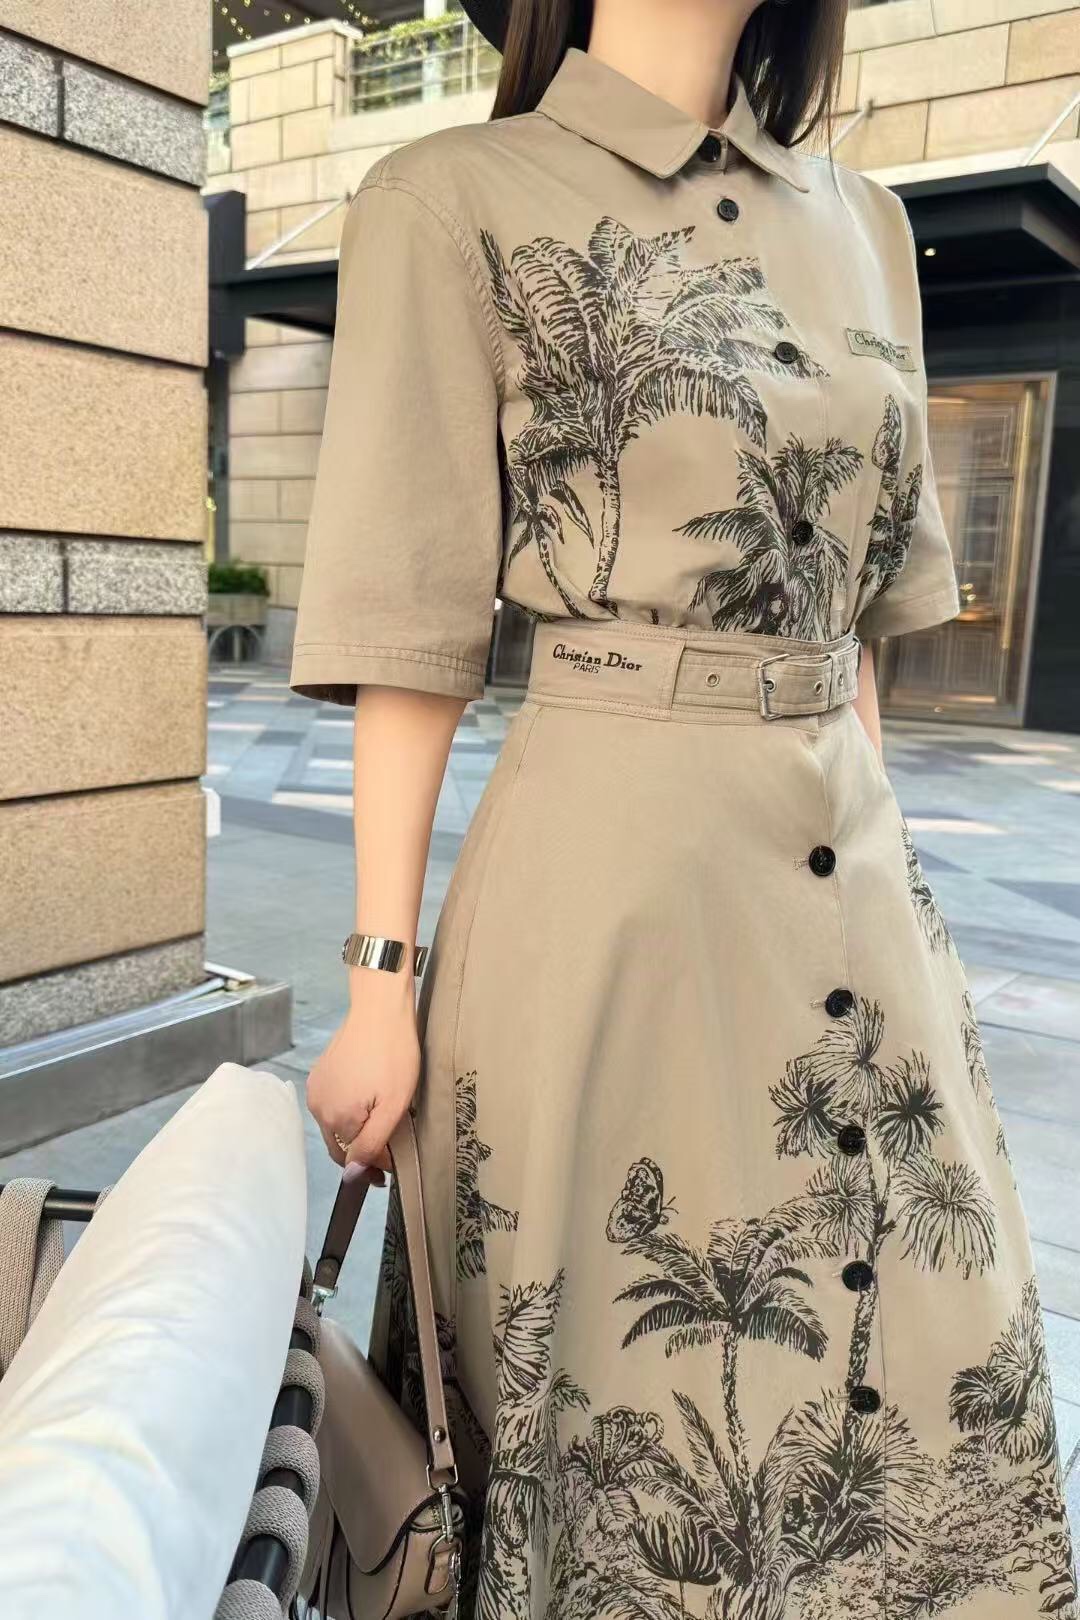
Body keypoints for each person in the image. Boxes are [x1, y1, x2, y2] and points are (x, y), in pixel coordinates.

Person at [288, 2, 1079, 1615]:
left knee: (931, 1360)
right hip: (606, 914)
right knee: (633, 1415)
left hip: (853, 899)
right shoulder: (448, 201)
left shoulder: (871, 225)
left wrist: (892, 886)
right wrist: (378, 984)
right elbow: (407, 642)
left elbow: (860, 629)